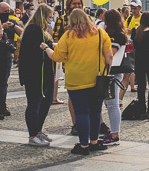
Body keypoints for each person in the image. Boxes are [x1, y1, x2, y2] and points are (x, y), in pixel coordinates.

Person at [44, 9, 112, 155]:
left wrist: (46, 49)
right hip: (97, 79)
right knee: (95, 111)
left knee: (81, 113)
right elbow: (109, 56)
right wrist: (105, 73)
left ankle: (83, 146)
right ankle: (94, 142)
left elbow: (57, 57)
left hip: (76, 79)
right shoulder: (100, 33)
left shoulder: (68, 36)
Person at [19, 4, 55, 146]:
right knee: (35, 104)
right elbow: (35, 53)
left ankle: (38, 130)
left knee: (44, 103)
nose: (50, 21)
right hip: (35, 75)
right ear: (43, 17)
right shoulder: (34, 30)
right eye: (49, 18)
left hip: (44, 74)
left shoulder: (39, 30)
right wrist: (49, 48)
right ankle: (32, 135)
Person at [52, 0, 83, 134]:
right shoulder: (63, 20)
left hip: (87, 61)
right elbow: (56, 39)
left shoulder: (87, 20)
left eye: (79, 3)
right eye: (74, 3)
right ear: (68, 5)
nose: (77, 6)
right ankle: (75, 123)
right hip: (70, 61)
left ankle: (88, 121)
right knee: (73, 93)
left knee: (87, 93)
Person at [101, 9, 127, 145]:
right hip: (109, 71)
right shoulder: (111, 34)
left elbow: (111, 53)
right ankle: (113, 132)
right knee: (109, 103)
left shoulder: (118, 36)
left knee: (112, 104)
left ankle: (115, 133)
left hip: (113, 71)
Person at [0, 2, 23, 117]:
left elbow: (23, 33)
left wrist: (14, 26)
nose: (7, 13)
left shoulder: (12, 21)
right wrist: (2, 27)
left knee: (3, 82)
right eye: (4, 11)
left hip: (7, 55)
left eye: (8, 11)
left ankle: (2, 105)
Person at [131, 12, 149, 120]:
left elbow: (134, 45)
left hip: (139, 60)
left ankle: (142, 110)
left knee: (141, 85)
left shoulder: (136, 31)